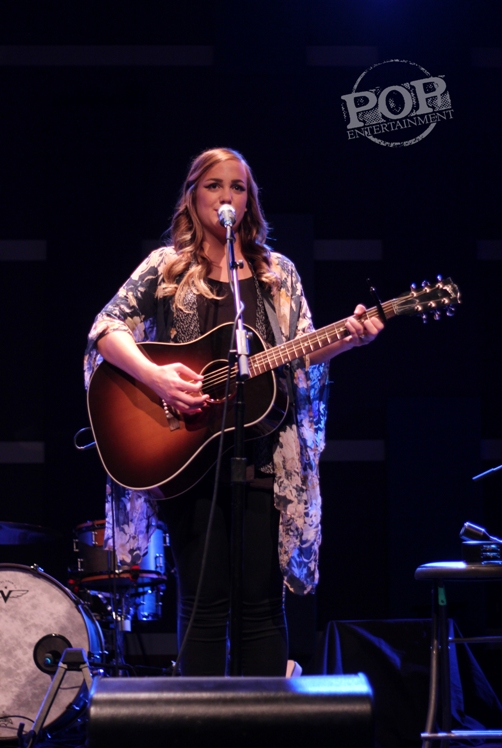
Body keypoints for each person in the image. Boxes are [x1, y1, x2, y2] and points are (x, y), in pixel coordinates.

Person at [84, 147, 384, 676]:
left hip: (263, 460)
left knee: (263, 607)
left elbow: (300, 350)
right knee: (204, 606)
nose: (227, 197)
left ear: (250, 202)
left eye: (238, 188)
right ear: (193, 195)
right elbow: (106, 330)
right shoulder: (167, 267)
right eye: (214, 186)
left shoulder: (276, 275)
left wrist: (348, 340)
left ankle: (264, 733)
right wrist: (157, 377)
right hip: (188, 454)